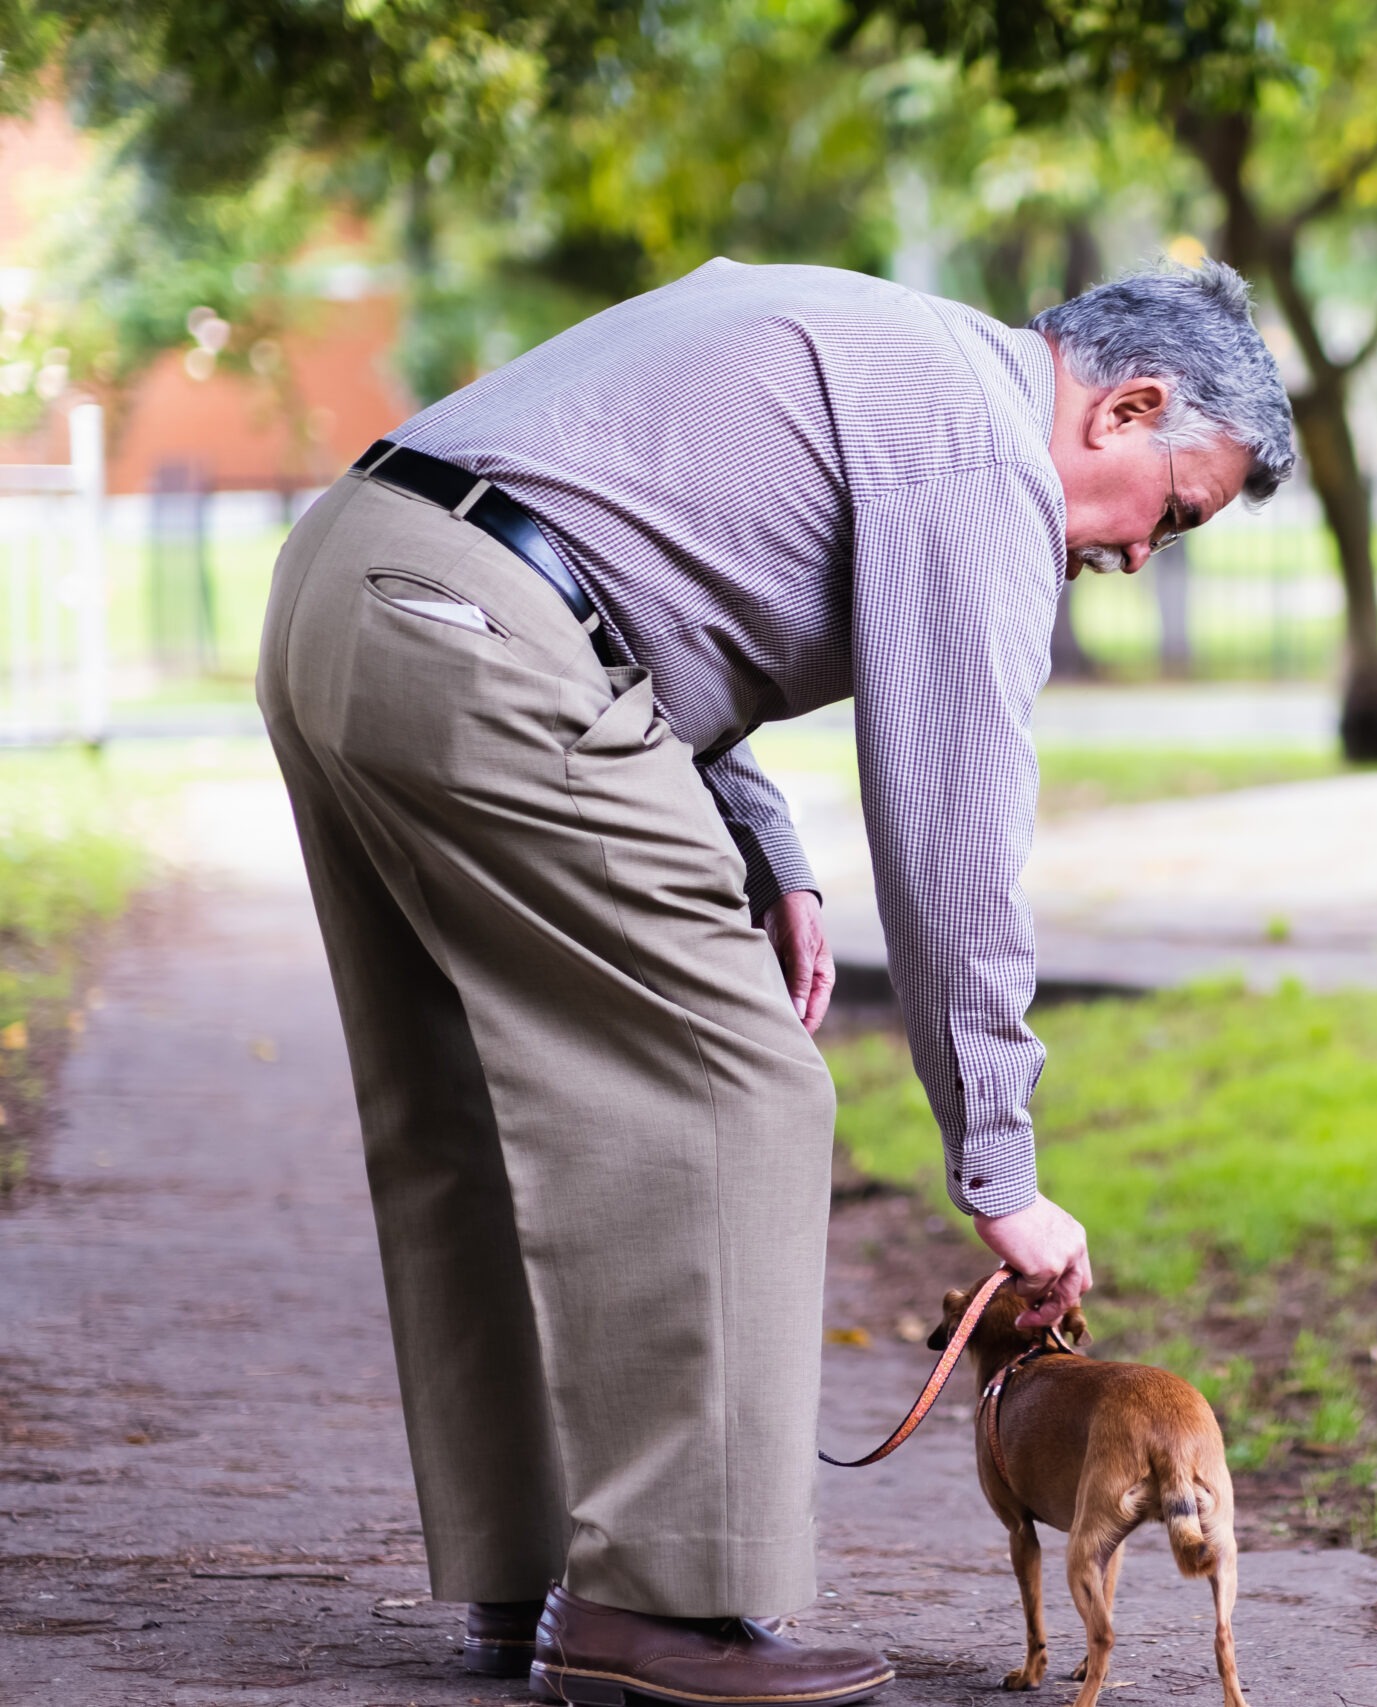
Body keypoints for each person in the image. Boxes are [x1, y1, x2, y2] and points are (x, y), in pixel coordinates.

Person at [254, 258, 1296, 1706]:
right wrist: (1000, 1162)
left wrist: (768, 850)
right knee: (737, 1091)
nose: (1137, 557)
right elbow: (953, 818)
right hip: (492, 641)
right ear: (1125, 408)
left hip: (354, 587)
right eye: (1171, 516)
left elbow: (643, 559)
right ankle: (666, 1606)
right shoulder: (983, 452)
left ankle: (531, 1569)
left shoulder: (889, 347)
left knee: (462, 1108)